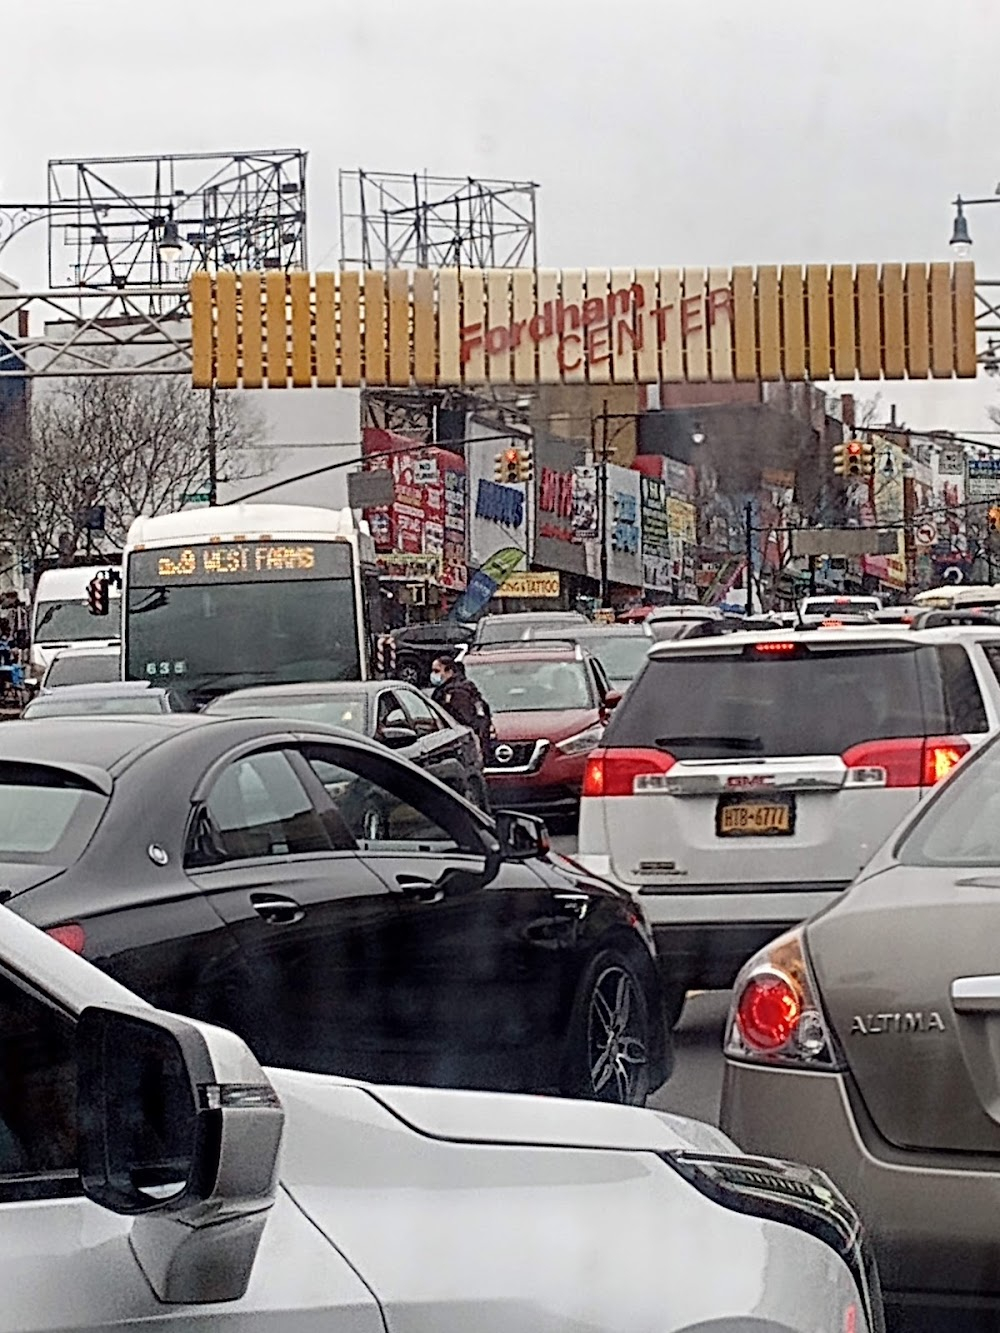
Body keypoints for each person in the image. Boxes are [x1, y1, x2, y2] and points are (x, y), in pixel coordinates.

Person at [430, 652, 492, 755]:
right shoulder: (463, 687)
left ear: (449, 672)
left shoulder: (457, 693)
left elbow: (464, 719)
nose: (433, 675)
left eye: (437, 671)